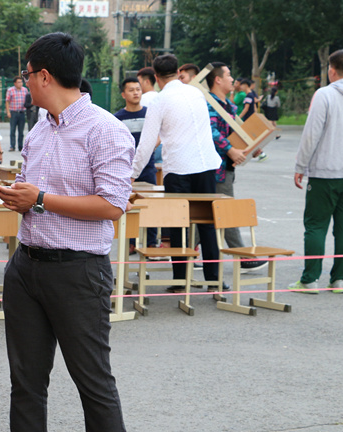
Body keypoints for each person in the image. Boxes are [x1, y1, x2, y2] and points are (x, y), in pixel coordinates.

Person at [0, 32, 133, 432]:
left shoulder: (105, 130)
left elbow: (112, 205)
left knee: (93, 380)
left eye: (27, 74)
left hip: (78, 272)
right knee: (26, 380)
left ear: (45, 76)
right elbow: (34, 191)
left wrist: (39, 199)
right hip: (27, 266)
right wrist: (20, 195)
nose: (24, 83)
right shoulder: (38, 130)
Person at [132, 53, 225, 289]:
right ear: (178, 72)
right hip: (205, 165)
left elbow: (147, 143)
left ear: (156, 77)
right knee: (208, 223)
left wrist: (132, 173)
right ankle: (214, 279)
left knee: (178, 223)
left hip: (179, 168)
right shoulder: (196, 93)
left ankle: (180, 280)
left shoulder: (159, 101)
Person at [290, 49, 343, 294]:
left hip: (327, 170)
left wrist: (301, 165)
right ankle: (339, 279)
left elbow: (311, 133)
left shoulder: (325, 94)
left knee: (316, 225)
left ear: (332, 70)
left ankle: (309, 279)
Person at [206, 62, 266, 270]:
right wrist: (230, 149)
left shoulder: (228, 106)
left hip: (226, 168)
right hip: (215, 168)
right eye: (229, 75)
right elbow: (211, 131)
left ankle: (184, 251)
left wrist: (252, 147)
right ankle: (243, 256)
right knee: (226, 210)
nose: (233, 79)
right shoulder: (209, 104)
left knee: (208, 213)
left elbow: (237, 132)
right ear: (217, 79)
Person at [114, 77, 157, 250]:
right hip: (126, 170)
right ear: (123, 94)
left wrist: (147, 149)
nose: (136, 93)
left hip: (148, 168)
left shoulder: (150, 114)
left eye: (138, 89)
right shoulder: (117, 118)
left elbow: (159, 136)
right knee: (129, 205)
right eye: (131, 90)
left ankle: (151, 242)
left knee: (151, 205)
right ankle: (131, 242)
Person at [5, 76, 28, 152]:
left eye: (21, 82)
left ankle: (20, 146)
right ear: (15, 83)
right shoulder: (10, 90)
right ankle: (12, 146)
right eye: (18, 82)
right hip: (13, 113)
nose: (20, 84)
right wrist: (8, 112)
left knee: (21, 131)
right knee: (12, 130)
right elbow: (7, 101)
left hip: (22, 113)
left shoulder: (25, 90)